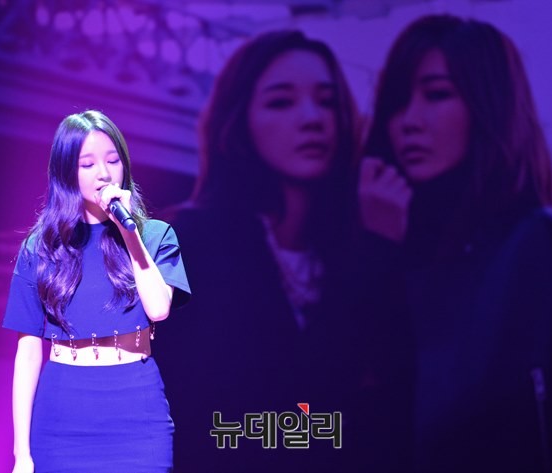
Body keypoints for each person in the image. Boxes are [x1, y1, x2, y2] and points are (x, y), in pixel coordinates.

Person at [153, 29, 393, 472]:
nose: (312, 118)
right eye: (281, 102)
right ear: (239, 121)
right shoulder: (187, 242)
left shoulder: (350, 252)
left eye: (327, 102)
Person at [360, 14, 552, 472]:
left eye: (437, 95)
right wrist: (378, 250)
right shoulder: (390, 238)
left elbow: (450, 406)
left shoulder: (535, 243)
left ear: (488, 105)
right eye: (397, 102)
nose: (409, 122)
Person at [2, 110, 191, 473]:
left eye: (112, 160)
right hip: (62, 413)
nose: (103, 173)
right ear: (66, 172)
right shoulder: (40, 248)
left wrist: (129, 233)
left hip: (136, 410)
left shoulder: (156, 236)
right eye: (87, 164)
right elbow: (27, 353)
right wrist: (21, 454)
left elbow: (158, 310)